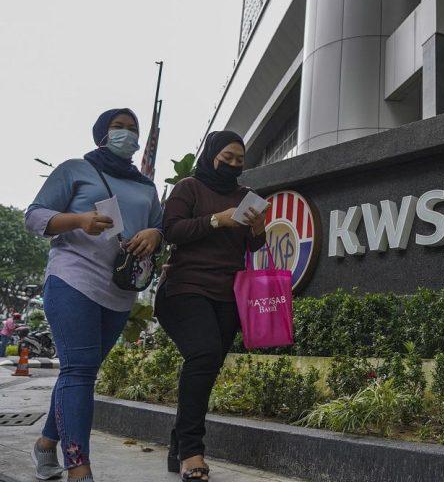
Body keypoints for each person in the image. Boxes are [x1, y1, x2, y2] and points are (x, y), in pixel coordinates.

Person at [25, 108, 163, 482]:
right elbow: (34, 216)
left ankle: (45, 444)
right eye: (118, 127)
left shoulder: (146, 187)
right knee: (79, 370)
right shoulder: (75, 169)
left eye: (132, 128)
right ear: (101, 132)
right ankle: (78, 467)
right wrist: (79, 220)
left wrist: (154, 234)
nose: (127, 134)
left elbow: (159, 227)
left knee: (81, 371)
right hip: (73, 278)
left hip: (119, 290)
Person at [155, 130, 267, 481]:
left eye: (239, 160)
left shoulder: (245, 195)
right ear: (212, 155)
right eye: (227, 157)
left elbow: (252, 247)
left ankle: (178, 446)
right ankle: (192, 451)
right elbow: (171, 231)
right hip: (185, 288)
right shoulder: (189, 187)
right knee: (203, 355)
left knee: (206, 368)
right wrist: (218, 219)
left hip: (228, 294)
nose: (233, 164)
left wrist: (258, 228)